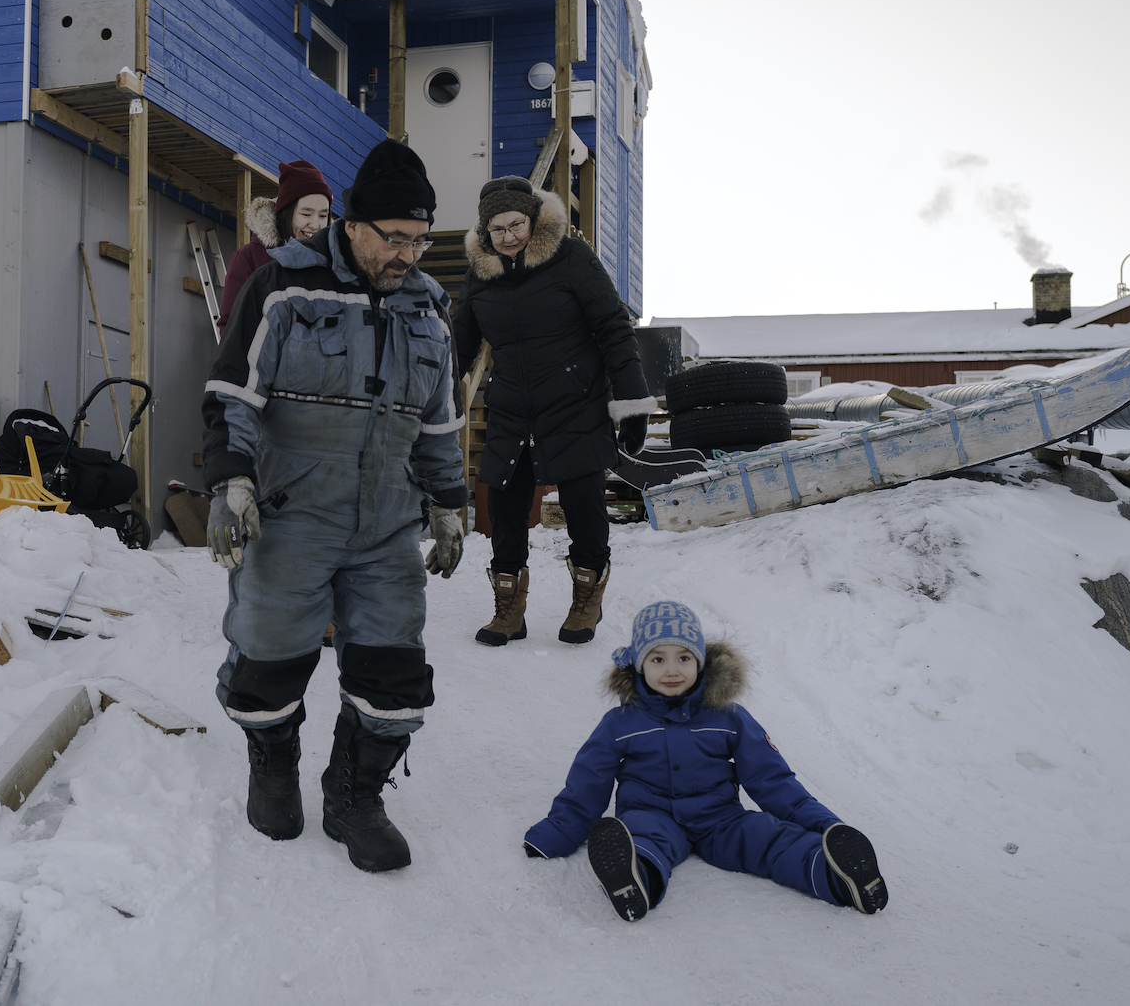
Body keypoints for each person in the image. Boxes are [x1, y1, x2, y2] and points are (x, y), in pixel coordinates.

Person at [201, 138, 467, 873]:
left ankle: (354, 795)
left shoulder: (428, 311)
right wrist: (232, 482)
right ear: (352, 225)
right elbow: (233, 394)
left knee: (393, 670)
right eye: (395, 237)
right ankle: (273, 765)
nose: (408, 254)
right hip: (291, 515)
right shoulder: (285, 288)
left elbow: (439, 421)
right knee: (268, 661)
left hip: (386, 523)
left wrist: (447, 502)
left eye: (420, 239)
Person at [523, 601, 890, 922]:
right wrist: (557, 833)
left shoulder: (728, 716)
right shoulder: (621, 723)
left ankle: (840, 877)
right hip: (652, 814)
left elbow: (771, 778)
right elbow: (587, 784)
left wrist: (825, 826)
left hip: (721, 819)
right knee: (642, 840)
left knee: (768, 838)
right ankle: (633, 882)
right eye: (657, 658)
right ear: (638, 665)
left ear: (700, 661)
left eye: (684, 657)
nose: (672, 670)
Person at [452, 175, 655, 647]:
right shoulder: (479, 274)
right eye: (496, 229)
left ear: (533, 219)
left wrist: (632, 402)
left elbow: (612, 330)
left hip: (575, 404)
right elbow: (457, 348)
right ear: (484, 232)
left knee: (583, 507)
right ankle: (509, 610)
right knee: (503, 507)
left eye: (515, 224)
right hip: (511, 409)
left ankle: (586, 601)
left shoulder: (572, 259)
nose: (507, 236)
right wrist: (432, 407)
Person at [217, 159, 334, 332]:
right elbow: (231, 326)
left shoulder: (333, 263)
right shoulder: (249, 257)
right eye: (306, 214)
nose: (315, 225)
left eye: (323, 216)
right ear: (287, 212)